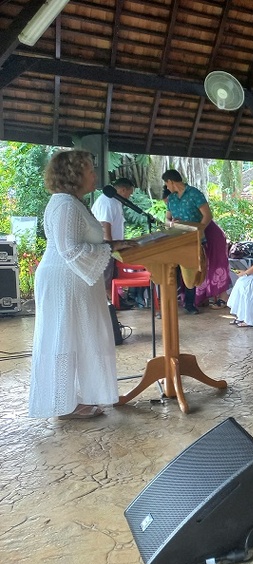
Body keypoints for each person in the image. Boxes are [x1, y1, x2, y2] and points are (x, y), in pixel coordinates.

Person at [29, 150, 133, 419]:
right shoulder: (64, 204)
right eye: (89, 170)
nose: (94, 175)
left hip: (74, 278)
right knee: (65, 338)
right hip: (64, 280)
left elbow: (81, 244)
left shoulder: (73, 202)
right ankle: (63, 405)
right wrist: (108, 249)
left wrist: (112, 246)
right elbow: (70, 249)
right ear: (74, 174)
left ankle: (78, 398)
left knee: (79, 337)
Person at [163, 169, 230, 314]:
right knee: (176, 270)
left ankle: (190, 303)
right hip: (177, 238)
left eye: (166, 183)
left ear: (171, 181)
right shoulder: (172, 198)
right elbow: (167, 218)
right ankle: (172, 302)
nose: (166, 187)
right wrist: (170, 223)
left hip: (194, 238)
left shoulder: (195, 194)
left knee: (192, 269)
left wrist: (199, 230)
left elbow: (207, 215)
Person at [91, 177, 135, 302]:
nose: (129, 196)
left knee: (112, 275)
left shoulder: (115, 201)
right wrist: (110, 246)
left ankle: (115, 300)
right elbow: (105, 225)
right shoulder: (107, 202)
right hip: (107, 245)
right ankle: (115, 302)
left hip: (114, 245)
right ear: (122, 190)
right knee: (106, 277)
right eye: (129, 193)